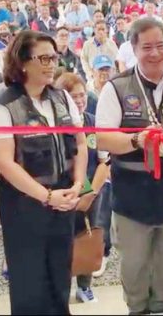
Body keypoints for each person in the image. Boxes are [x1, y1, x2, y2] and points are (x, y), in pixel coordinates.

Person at [95, 18, 163, 314]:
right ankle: (137, 308)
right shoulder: (116, 87)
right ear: (133, 49)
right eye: (146, 47)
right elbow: (103, 138)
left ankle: (160, 307)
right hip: (132, 195)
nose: (154, 53)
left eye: (160, 45)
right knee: (134, 264)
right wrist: (137, 141)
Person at [0, 30, 88, 314]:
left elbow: (80, 142)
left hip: (64, 201)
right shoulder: (2, 107)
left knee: (59, 278)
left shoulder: (62, 99)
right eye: (43, 58)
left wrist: (78, 184)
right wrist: (46, 196)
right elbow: (4, 163)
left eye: (54, 58)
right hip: (24, 207)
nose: (50, 64)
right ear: (22, 62)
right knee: (30, 284)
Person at [54, 72, 111, 303]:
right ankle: (60, 286)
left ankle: (84, 286)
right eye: (72, 96)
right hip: (59, 192)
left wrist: (89, 192)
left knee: (87, 236)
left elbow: (104, 161)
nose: (79, 100)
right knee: (60, 241)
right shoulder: (55, 124)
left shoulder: (92, 122)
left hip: (89, 190)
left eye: (81, 95)